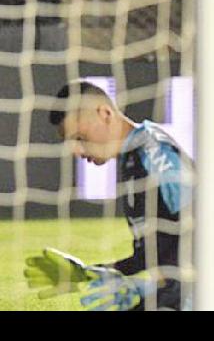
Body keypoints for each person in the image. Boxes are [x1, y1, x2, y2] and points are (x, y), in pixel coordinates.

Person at [24, 80, 193, 311]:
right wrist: (91, 272)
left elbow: (207, 233)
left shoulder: (154, 154)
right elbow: (155, 255)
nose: (75, 150)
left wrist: (140, 284)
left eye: (79, 137)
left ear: (105, 113)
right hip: (169, 294)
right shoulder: (134, 157)